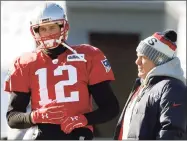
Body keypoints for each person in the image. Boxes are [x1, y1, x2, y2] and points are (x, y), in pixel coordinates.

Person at [4, 2, 119, 140]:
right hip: (42, 134)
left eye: (52, 28)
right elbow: (12, 118)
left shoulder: (88, 56)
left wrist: (83, 119)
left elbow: (110, 107)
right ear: (35, 31)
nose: (47, 34)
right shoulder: (25, 63)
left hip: (77, 134)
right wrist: (35, 116)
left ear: (63, 27)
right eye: (43, 29)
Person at [113, 30, 187, 140]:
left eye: (143, 57)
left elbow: (172, 132)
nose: (137, 62)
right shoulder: (142, 86)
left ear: (158, 60)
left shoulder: (172, 88)